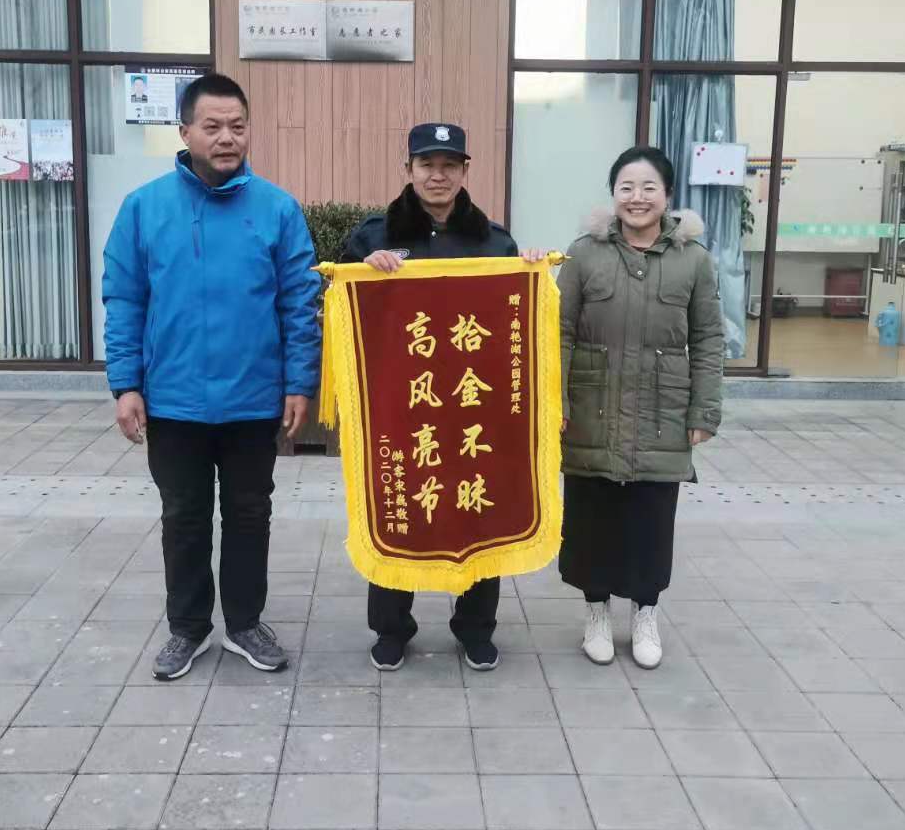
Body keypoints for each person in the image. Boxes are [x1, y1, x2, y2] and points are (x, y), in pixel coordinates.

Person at [103, 72, 321, 681]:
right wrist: (126, 385)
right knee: (185, 517)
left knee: (251, 515)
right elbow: (124, 300)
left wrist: (299, 384)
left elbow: (299, 303)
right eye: (213, 126)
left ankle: (245, 623)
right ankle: (188, 628)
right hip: (174, 402)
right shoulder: (144, 208)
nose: (227, 138)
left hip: (254, 400)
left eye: (237, 126)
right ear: (185, 132)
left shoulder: (277, 210)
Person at [341, 122, 542, 673]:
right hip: (400, 407)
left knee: (477, 511)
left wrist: (530, 273)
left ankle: (475, 628)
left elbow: (513, 323)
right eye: (426, 164)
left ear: (465, 171)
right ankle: (391, 629)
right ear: (407, 169)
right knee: (397, 508)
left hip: (473, 405)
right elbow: (341, 309)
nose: (438, 175)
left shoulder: (494, 242)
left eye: (449, 165)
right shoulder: (374, 237)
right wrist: (364, 273)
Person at [556, 145, 724, 669]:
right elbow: (558, 332)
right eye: (626, 187)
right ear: (613, 194)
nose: (637, 197)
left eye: (649, 187)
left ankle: (646, 614)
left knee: (651, 522)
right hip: (592, 410)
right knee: (592, 519)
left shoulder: (693, 260)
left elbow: (708, 338)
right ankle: (597, 613)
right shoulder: (584, 254)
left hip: (662, 412)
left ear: (667, 195)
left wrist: (704, 411)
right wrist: (554, 401)